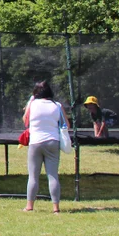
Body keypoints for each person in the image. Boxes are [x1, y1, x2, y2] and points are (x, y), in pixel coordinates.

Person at [24, 81, 69, 213]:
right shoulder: (57, 105)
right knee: (53, 175)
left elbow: (25, 120)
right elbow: (66, 124)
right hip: (52, 142)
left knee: (33, 176)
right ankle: (56, 208)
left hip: (35, 142)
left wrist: (30, 100)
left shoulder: (33, 104)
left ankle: (29, 206)